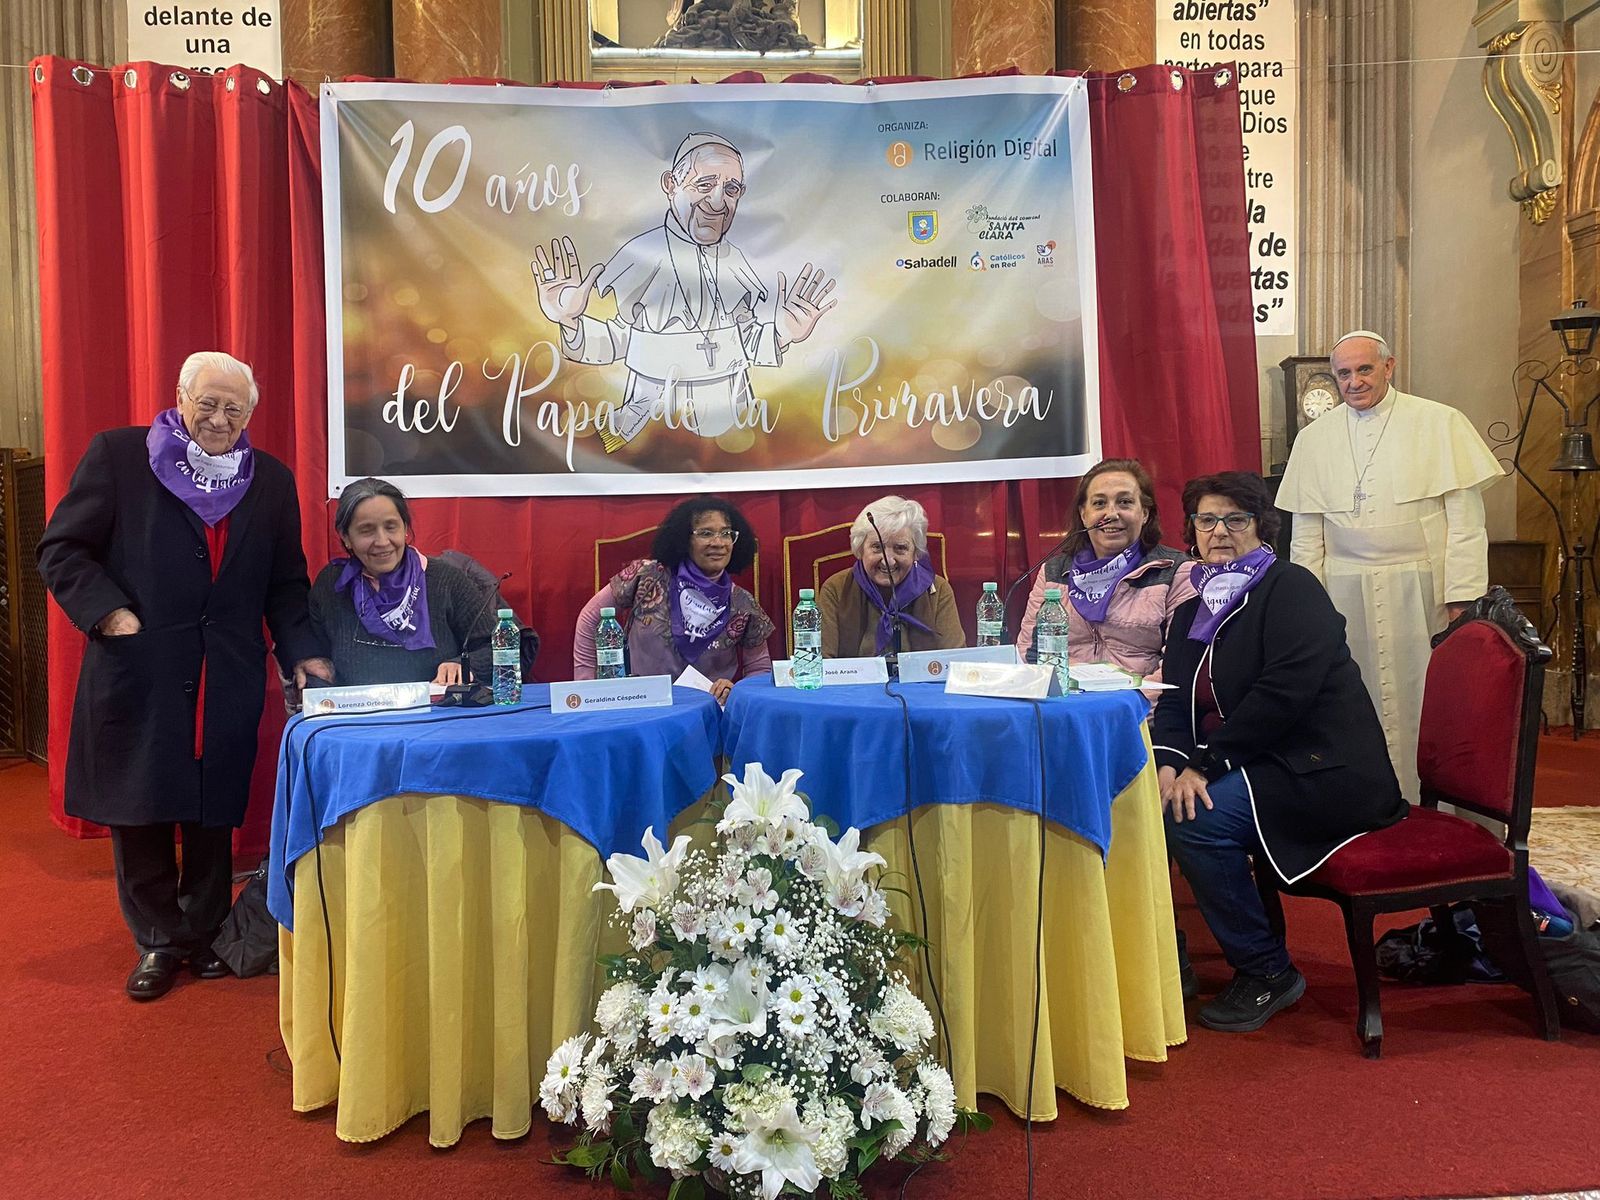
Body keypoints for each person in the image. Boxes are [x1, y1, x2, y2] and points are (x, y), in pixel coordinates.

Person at [36, 351, 329, 1001]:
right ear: (179, 398)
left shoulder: (270, 482)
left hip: (225, 672)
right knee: (139, 808)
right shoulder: (119, 456)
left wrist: (303, 651)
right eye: (208, 403)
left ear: (250, 414)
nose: (219, 418)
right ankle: (159, 941)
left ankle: (201, 934)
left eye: (234, 408)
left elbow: (285, 584)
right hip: (142, 668)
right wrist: (108, 613)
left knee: (210, 809)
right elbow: (62, 548)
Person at [1154, 471, 1407, 1033]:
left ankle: (1268, 971)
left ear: (1260, 526)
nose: (1219, 531)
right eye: (1206, 519)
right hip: (1252, 757)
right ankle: (1166, 958)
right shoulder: (1195, 602)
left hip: (1319, 765)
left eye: (1235, 519)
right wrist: (1168, 763)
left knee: (1195, 822)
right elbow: (1174, 697)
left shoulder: (1291, 586)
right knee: (1149, 799)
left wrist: (1207, 765)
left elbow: (1284, 695)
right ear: (1191, 530)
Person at [1277, 330, 1502, 800]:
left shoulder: (1439, 423)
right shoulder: (1315, 439)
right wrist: (1309, 606)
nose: (1354, 382)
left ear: (1389, 366)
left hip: (1422, 589)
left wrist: (1461, 597)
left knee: (1430, 699)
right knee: (1352, 698)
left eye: (1364, 369)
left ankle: (1437, 804)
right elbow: (1306, 535)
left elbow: (1466, 523)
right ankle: (1362, 801)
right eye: (1344, 373)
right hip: (1343, 591)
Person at [533, 131, 839, 449]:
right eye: (704, 185)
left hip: (730, 433)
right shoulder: (641, 254)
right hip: (649, 431)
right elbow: (618, 340)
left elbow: (742, 340)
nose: (719, 202)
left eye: (731, 189)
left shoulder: (734, 260)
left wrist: (782, 333)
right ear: (671, 185)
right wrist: (568, 322)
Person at [574, 495, 774, 701]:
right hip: (643, 706)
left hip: (708, 714)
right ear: (684, 539)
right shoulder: (648, 577)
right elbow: (590, 617)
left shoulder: (742, 603)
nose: (718, 543)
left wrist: (736, 691)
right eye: (706, 533)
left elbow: (760, 670)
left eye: (726, 533)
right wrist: (587, 685)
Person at [309, 477, 498, 687]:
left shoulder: (447, 581)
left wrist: (464, 665)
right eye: (367, 530)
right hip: (359, 717)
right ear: (346, 537)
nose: (382, 541)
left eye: (391, 527)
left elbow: (497, 649)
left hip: (439, 716)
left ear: (405, 528)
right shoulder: (331, 585)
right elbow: (314, 657)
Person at [1016, 458, 1196, 678]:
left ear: (1145, 514)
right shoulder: (1053, 571)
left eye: (1125, 502)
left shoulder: (1176, 571)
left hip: (1138, 707)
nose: (1111, 514)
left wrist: (1123, 703)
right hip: (1067, 704)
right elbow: (1030, 652)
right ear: (1084, 515)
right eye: (1099, 503)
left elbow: (1177, 665)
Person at [817, 496, 965, 658]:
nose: (888, 560)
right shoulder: (835, 589)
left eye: (900, 548)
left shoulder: (937, 589)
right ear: (860, 549)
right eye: (877, 547)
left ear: (916, 553)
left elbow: (954, 661)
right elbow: (822, 663)